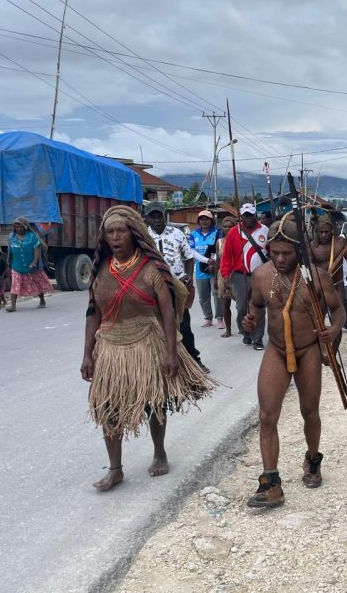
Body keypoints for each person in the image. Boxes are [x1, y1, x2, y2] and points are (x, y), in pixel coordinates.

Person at [81, 205, 214, 492]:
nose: (115, 237)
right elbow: (93, 313)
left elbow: (167, 314)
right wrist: (86, 354)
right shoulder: (100, 270)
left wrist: (171, 352)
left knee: (154, 403)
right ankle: (115, 469)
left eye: (121, 231)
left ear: (134, 234)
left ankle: (159, 452)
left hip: (147, 343)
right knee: (107, 407)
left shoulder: (152, 269)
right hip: (111, 347)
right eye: (110, 232)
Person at [241, 214, 345, 507]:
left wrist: (333, 330)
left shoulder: (317, 277)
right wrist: (251, 320)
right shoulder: (261, 275)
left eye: (287, 253)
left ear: (298, 251)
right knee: (266, 415)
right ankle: (271, 482)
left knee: (309, 411)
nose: (281, 259)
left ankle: (312, 459)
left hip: (308, 348)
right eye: (275, 253)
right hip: (276, 349)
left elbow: (339, 311)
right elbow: (257, 306)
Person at [144, 201, 207, 372]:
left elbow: (188, 257)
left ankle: (194, 360)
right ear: (147, 219)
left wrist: (188, 277)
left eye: (160, 216)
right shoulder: (143, 236)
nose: (158, 220)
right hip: (152, 286)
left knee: (183, 324)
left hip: (176, 283)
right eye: (153, 217)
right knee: (156, 326)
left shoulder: (177, 233)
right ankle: (158, 363)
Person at [219, 203, 270, 350]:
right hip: (239, 276)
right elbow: (227, 256)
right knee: (242, 308)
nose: (248, 218)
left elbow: (271, 250)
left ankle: (258, 339)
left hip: (260, 276)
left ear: (255, 215)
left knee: (258, 307)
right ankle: (247, 331)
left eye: (251, 215)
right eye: (245, 215)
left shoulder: (264, 230)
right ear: (241, 216)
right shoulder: (234, 232)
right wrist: (225, 274)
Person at [309, 213, 347, 354]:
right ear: (317, 232)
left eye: (327, 232)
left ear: (332, 231)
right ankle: (319, 350)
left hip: (337, 285)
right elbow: (308, 267)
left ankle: (333, 352)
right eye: (321, 232)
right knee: (317, 319)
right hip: (319, 287)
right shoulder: (312, 246)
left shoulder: (340, 243)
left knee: (336, 321)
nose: (324, 235)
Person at [4, 216, 52, 312]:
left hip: (32, 266)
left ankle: (42, 300)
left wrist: (34, 262)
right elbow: (10, 251)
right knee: (15, 284)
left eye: (21, 227)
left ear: (26, 227)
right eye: (17, 227)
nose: (19, 229)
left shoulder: (32, 236)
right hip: (17, 266)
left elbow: (37, 249)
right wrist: (9, 265)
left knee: (37, 282)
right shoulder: (11, 237)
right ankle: (13, 306)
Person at [188, 210, 223, 328]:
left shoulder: (217, 232)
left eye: (207, 219)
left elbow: (219, 247)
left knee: (217, 293)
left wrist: (213, 262)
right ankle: (208, 317)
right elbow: (191, 251)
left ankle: (220, 318)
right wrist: (206, 260)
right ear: (198, 221)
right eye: (202, 219)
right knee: (203, 296)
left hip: (215, 267)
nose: (204, 221)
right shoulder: (193, 234)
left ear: (211, 221)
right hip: (200, 269)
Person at [215, 215, 238, 337]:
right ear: (222, 228)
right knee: (225, 304)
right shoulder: (219, 242)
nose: (228, 228)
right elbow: (218, 262)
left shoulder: (240, 240)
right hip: (223, 276)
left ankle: (242, 326)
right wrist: (215, 279)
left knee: (241, 304)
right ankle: (228, 329)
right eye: (225, 226)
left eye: (231, 226)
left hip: (237, 275)